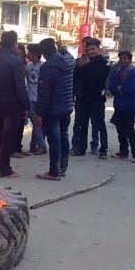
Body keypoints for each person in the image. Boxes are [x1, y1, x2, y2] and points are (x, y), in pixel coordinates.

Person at [0, 31, 28, 178]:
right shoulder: (17, 62)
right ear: (15, 44)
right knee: (8, 136)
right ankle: (5, 168)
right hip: (11, 103)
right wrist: (25, 105)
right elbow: (20, 86)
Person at [35, 38, 76, 180]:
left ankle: (53, 171)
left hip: (52, 109)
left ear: (44, 54)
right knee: (64, 136)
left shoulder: (47, 68)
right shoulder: (69, 61)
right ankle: (63, 168)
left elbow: (44, 93)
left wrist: (39, 114)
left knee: (54, 140)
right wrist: (62, 47)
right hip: (66, 106)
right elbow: (69, 55)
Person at [72, 38, 109, 158]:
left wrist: (89, 65)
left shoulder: (105, 63)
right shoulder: (81, 62)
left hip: (98, 99)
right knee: (83, 125)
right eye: (88, 49)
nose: (90, 52)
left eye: (93, 49)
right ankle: (81, 148)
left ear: (99, 48)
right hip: (84, 98)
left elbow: (103, 76)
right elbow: (75, 77)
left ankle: (103, 149)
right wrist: (80, 67)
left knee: (100, 125)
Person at [109, 50, 135, 163]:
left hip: (129, 105)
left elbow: (133, 89)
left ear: (129, 59)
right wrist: (119, 89)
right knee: (120, 129)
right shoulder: (117, 71)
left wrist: (120, 88)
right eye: (121, 58)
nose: (123, 61)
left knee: (130, 130)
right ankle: (123, 151)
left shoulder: (134, 72)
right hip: (118, 104)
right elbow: (112, 85)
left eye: (125, 58)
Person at [25, 44, 47, 155]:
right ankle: (33, 145)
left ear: (34, 54)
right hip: (30, 98)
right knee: (35, 123)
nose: (27, 54)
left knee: (37, 123)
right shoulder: (28, 66)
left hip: (39, 99)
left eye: (29, 52)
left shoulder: (44, 67)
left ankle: (42, 146)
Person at [12, 43, 30, 158]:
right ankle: (13, 149)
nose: (18, 55)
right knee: (14, 125)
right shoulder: (13, 65)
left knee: (21, 125)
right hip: (16, 98)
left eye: (20, 53)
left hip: (24, 96)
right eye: (16, 53)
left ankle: (18, 147)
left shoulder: (26, 65)